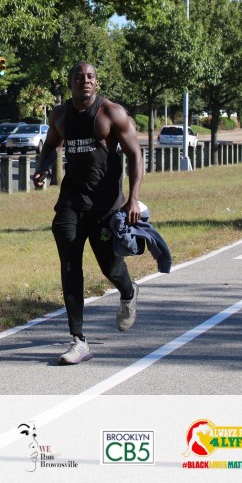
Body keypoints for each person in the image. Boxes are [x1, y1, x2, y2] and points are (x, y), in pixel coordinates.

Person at [32, 62, 143, 365]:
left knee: (111, 267)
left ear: (97, 83)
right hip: (71, 202)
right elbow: (51, 146)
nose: (85, 81)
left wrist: (133, 200)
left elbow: (135, 154)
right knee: (70, 267)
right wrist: (42, 169)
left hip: (106, 206)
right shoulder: (60, 115)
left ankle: (128, 291)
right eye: (79, 77)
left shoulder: (111, 113)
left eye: (90, 77)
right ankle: (78, 340)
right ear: (70, 83)